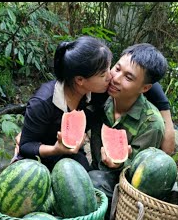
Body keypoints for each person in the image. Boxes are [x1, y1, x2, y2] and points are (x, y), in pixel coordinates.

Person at [87, 43, 168, 220]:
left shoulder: (151, 124)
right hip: (93, 172)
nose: (116, 78)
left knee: (91, 183)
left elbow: (142, 179)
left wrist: (121, 164)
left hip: (123, 192)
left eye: (128, 77)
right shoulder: (101, 96)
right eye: (117, 69)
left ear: (145, 88)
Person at [15, 36, 113, 172]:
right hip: (37, 161)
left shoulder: (99, 92)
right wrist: (56, 149)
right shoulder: (42, 103)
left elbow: (145, 82)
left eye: (110, 68)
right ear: (80, 80)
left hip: (72, 156)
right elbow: (25, 146)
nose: (111, 76)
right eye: (103, 74)